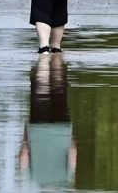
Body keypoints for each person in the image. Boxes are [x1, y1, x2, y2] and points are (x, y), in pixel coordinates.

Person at [19, 51, 76, 185]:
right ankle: (46, 59)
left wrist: (71, 137)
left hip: (61, 129)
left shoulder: (65, 179)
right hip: (39, 129)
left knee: (58, 88)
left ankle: (47, 57)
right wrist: (25, 140)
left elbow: (73, 153)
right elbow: (24, 155)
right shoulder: (33, 179)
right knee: (41, 89)